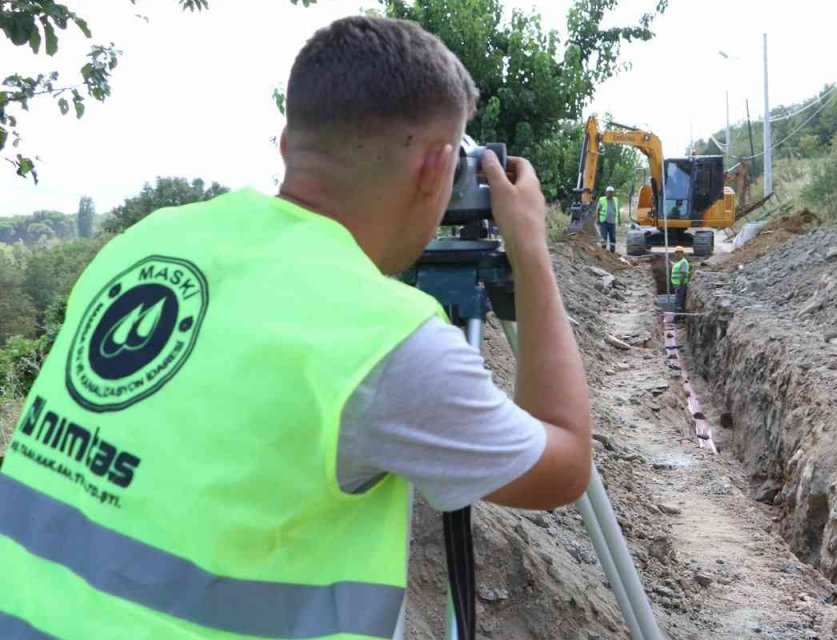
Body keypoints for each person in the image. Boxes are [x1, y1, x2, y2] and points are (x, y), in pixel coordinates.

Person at [0, 16, 592, 640]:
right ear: (436, 170)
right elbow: (565, 463)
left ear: (286, 143)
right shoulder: (381, 339)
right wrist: (530, 245)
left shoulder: (144, 245)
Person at [596, 185, 620, 253]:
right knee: (604, 237)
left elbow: (617, 210)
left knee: (612, 237)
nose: (610, 194)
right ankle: (603, 250)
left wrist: (619, 220)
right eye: (608, 192)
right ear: (606, 192)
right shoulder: (602, 199)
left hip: (612, 222)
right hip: (604, 222)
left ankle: (612, 250)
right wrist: (597, 219)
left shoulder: (615, 200)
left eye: (611, 192)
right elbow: (597, 210)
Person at [671, 246, 691, 312]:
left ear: (682, 253)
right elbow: (675, 266)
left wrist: (680, 285)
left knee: (678, 302)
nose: (677, 255)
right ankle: (679, 316)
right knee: (678, 300)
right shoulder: (678, 262)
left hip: (681, 285)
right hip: (676, 285)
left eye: (679, 253)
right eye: (676, 253)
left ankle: (677, 318)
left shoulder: (683, 262)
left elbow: (683, 274)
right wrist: (670, 262)